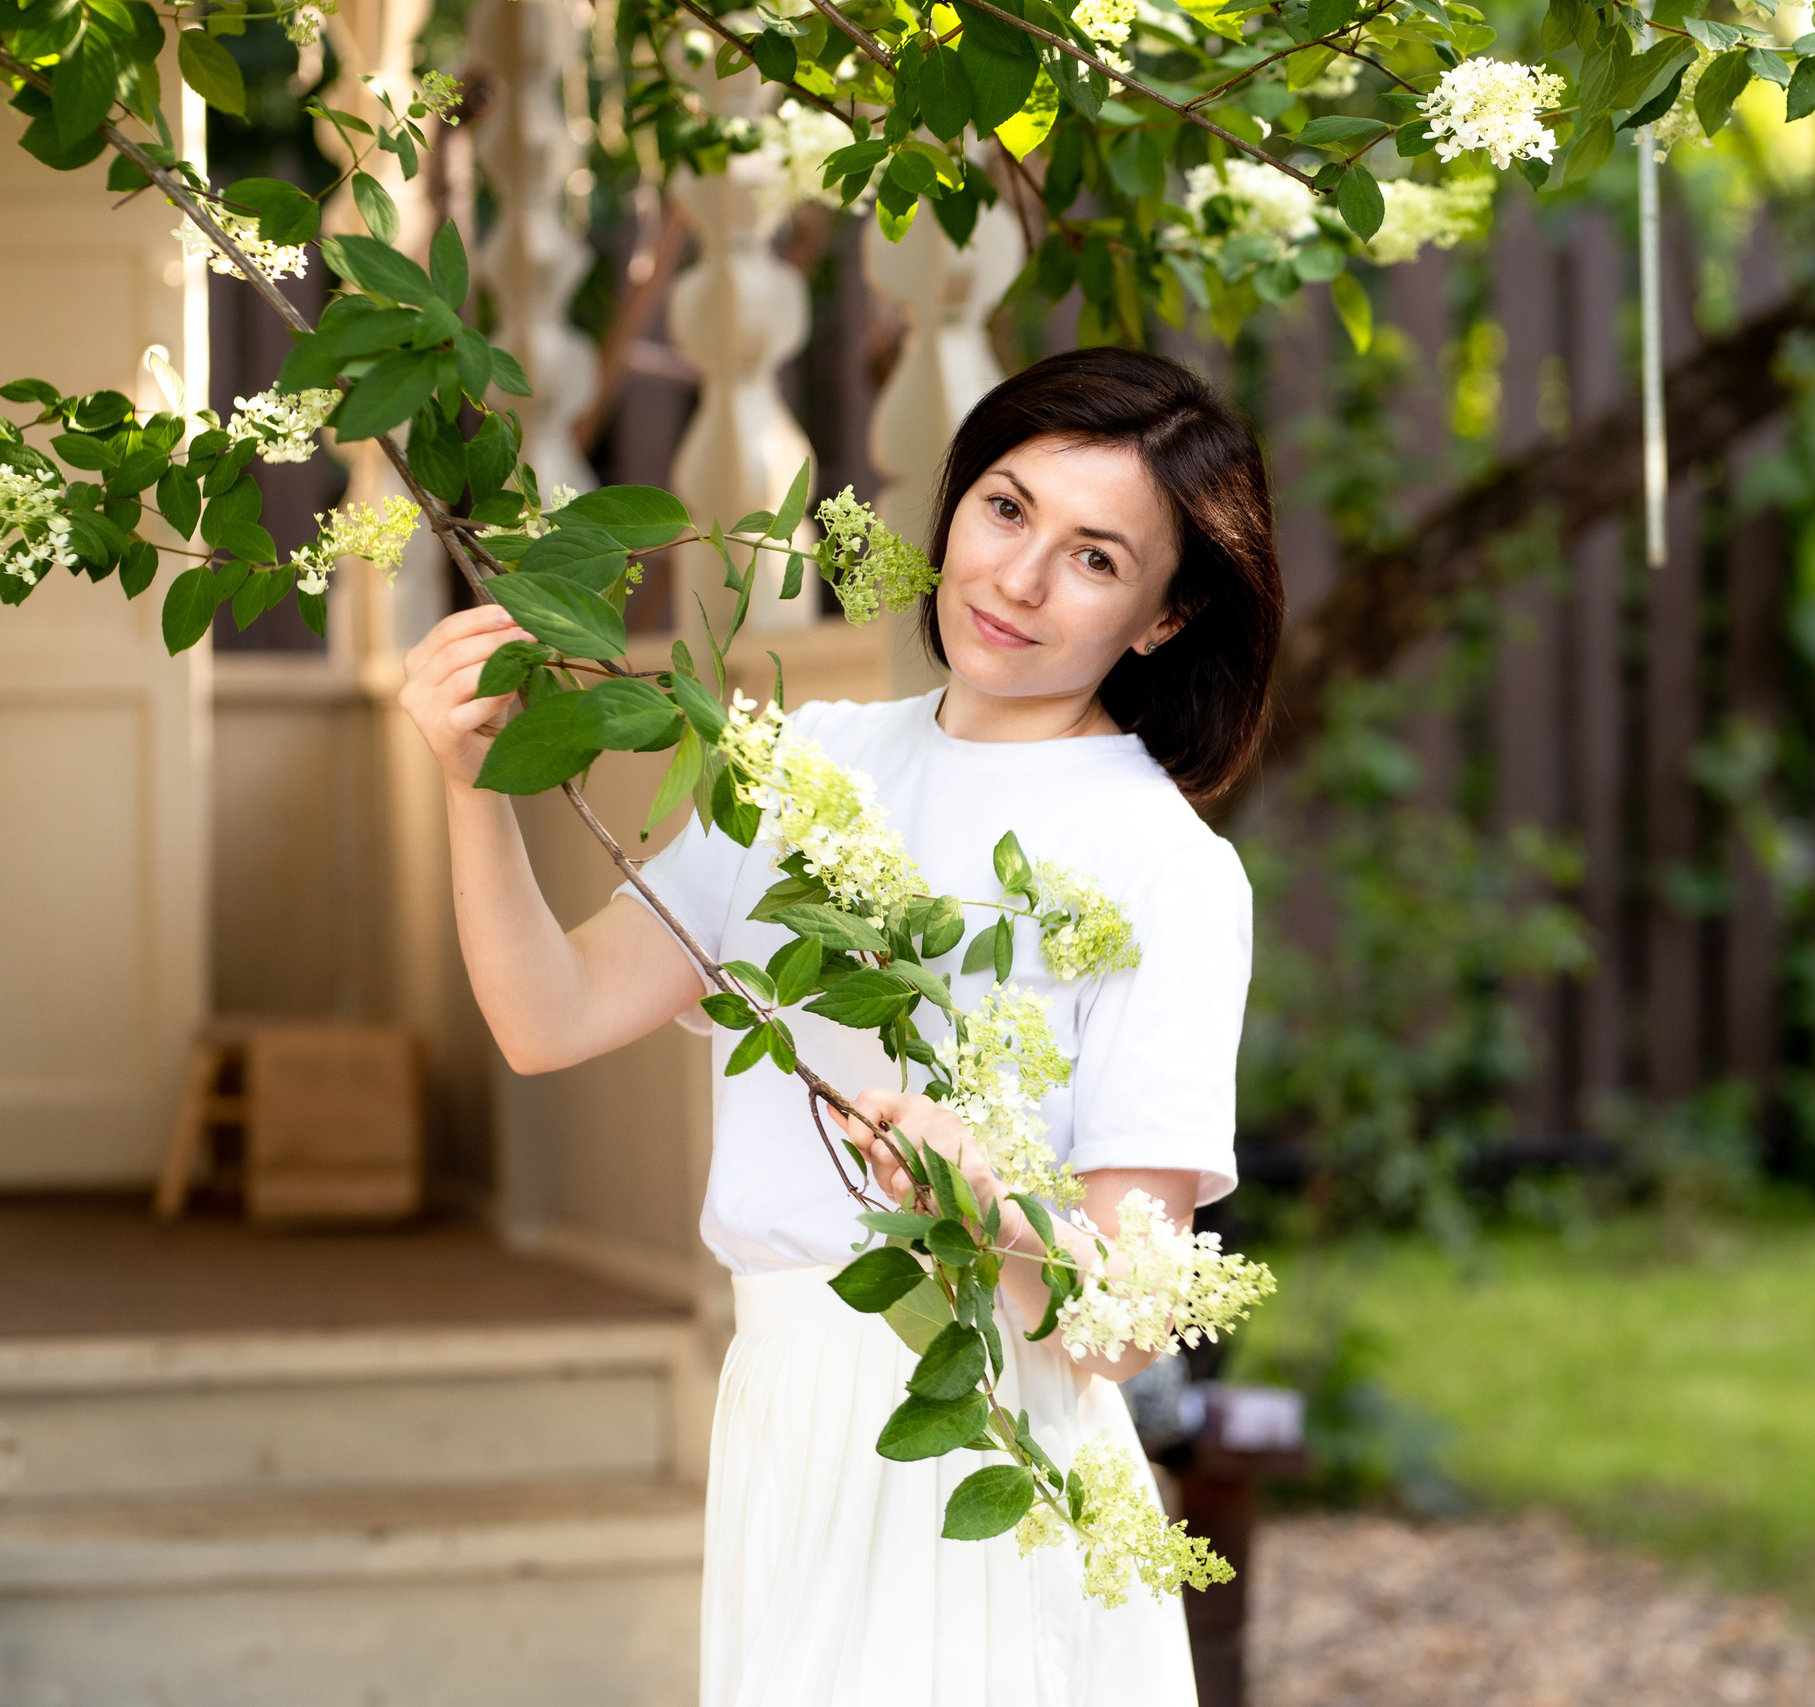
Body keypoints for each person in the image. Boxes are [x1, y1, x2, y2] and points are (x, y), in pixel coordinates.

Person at [397, 346, 1284, 1707]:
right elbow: (548, 1015)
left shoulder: (1163, 864)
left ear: (1164, 617)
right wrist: (472, 785)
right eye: (1005, 509)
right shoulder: (808, 767)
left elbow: (1125, 1322)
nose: (1020, 579)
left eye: (1098, 558)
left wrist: (986, 1200)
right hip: (784, 1433)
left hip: (994, 1455)